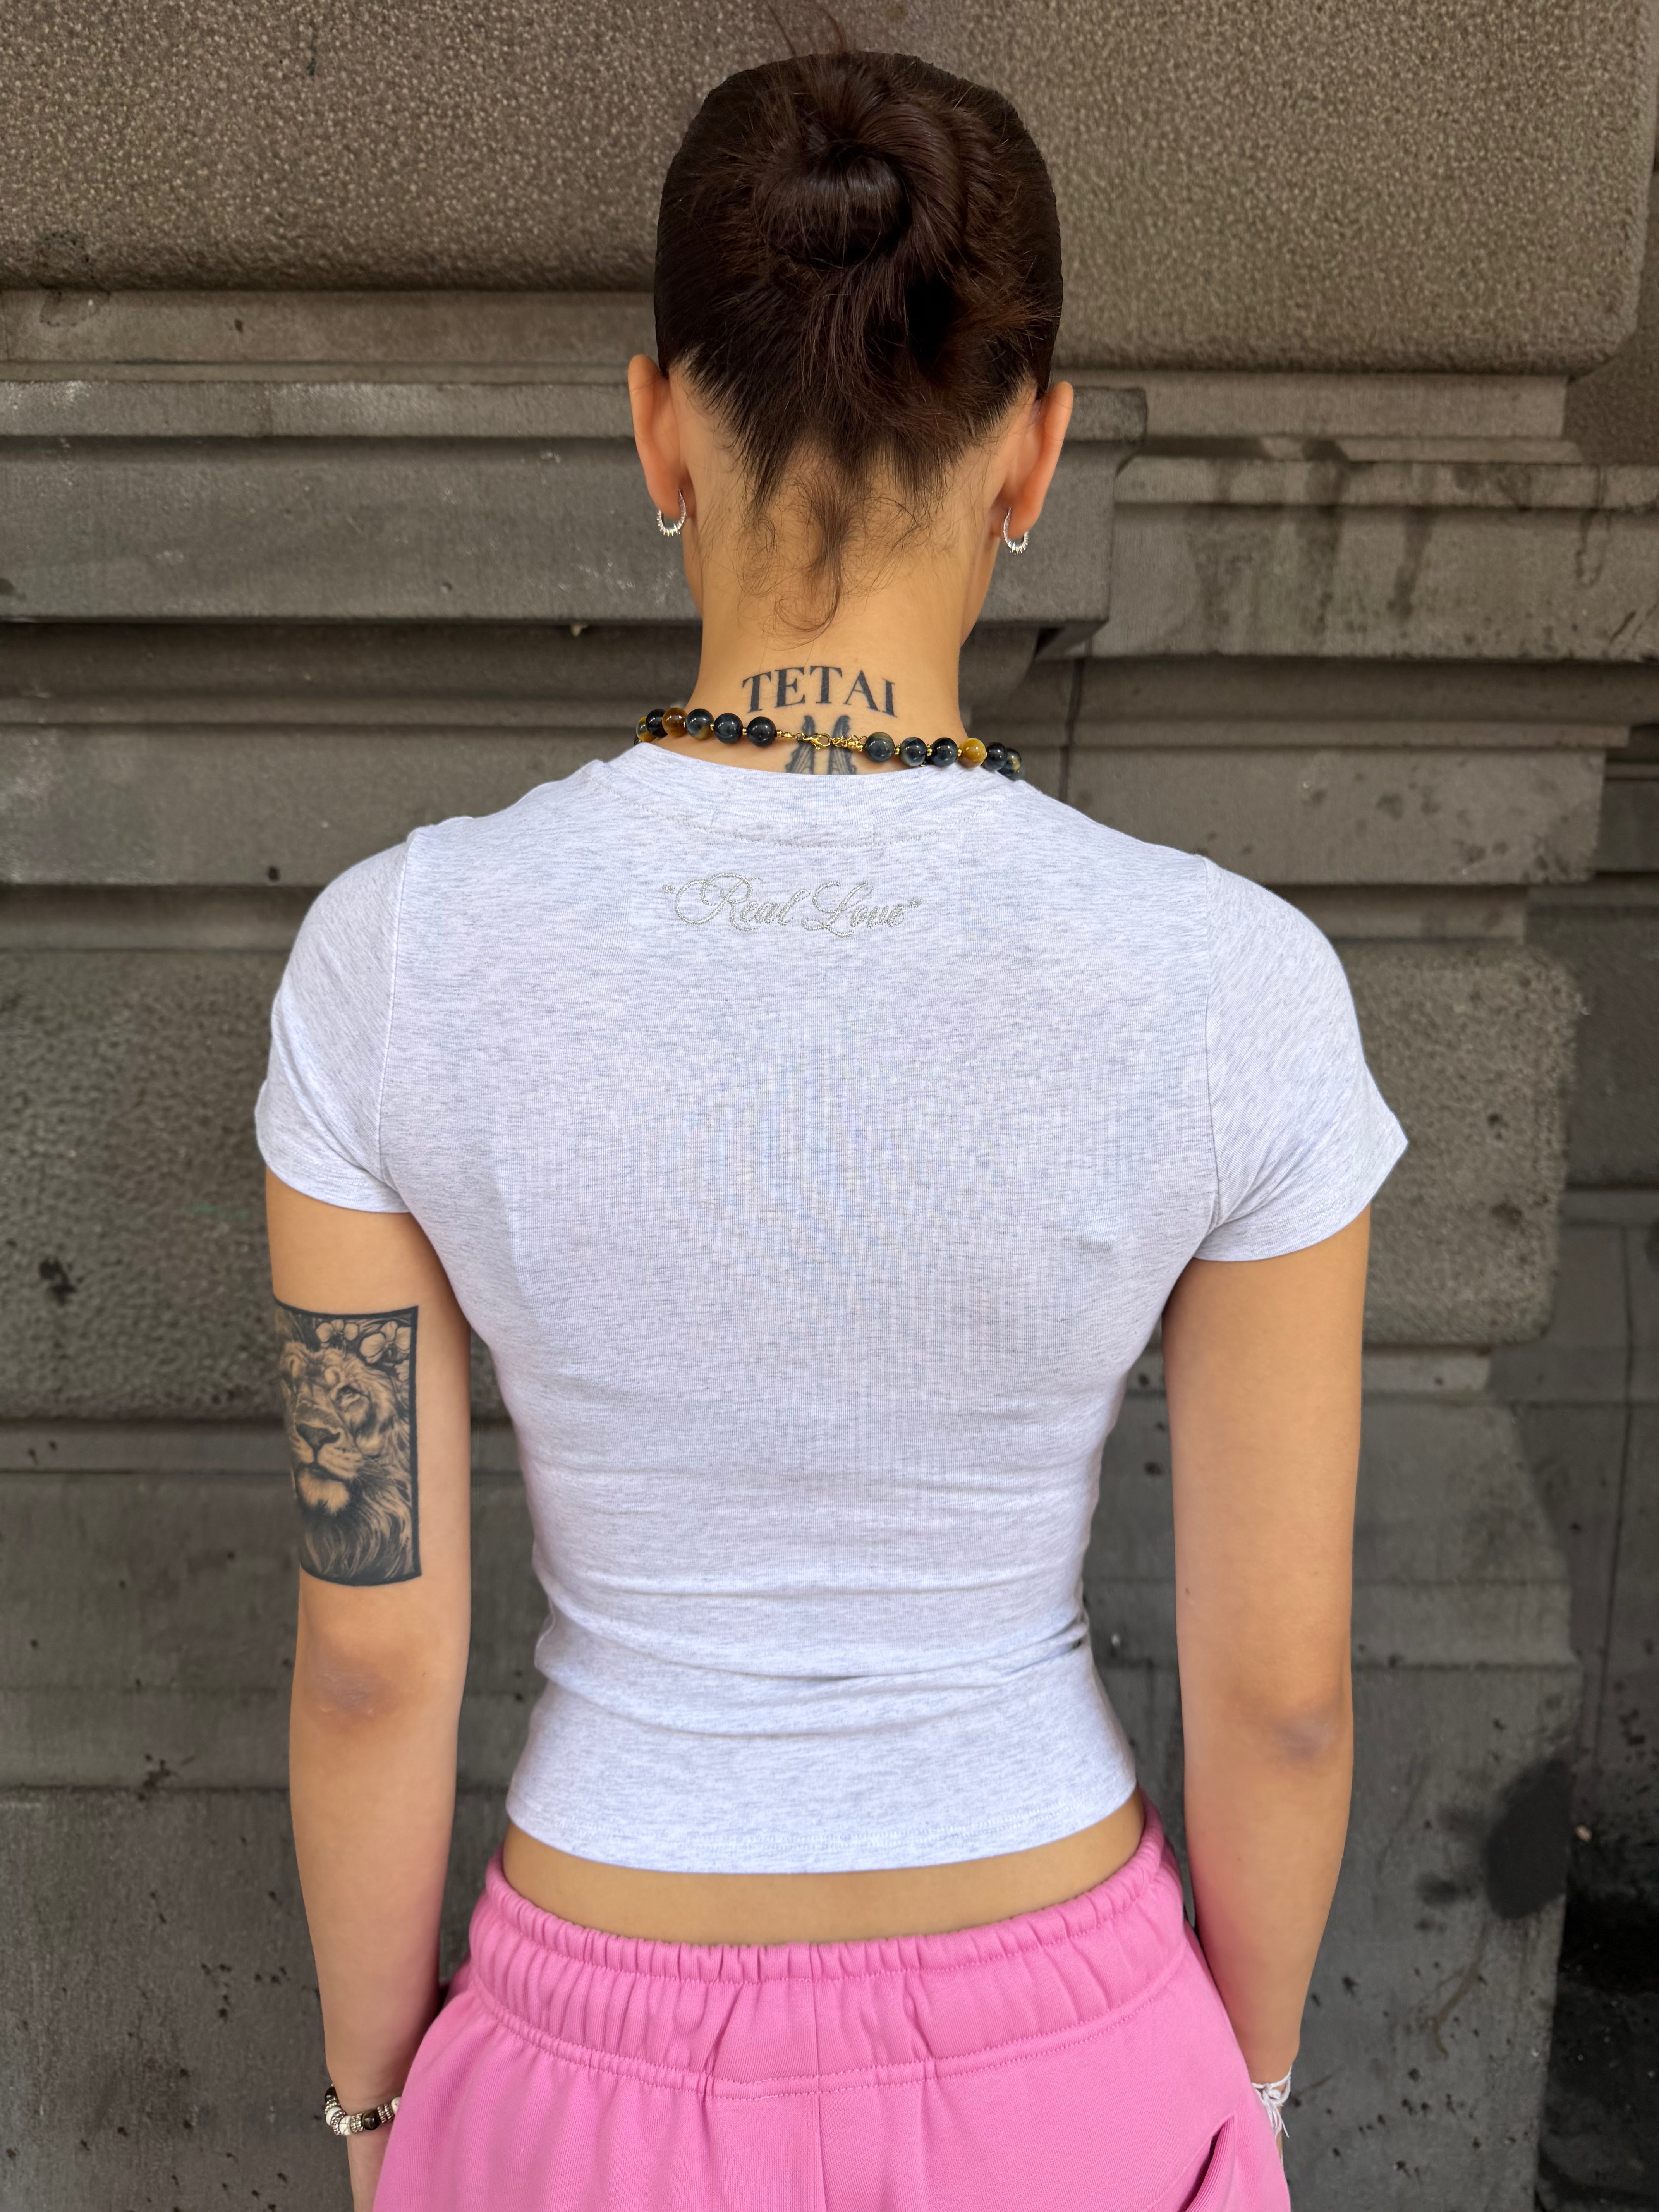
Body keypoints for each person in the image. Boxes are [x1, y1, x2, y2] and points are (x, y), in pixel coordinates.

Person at [256, 47, 1406, 2212]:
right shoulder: (1232, 983)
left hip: (591, 2049)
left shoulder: (397, 958)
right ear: (1035, 448)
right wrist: (1233, 2094)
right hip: (1074, 2052)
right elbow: (1282, 1697)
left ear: (657, 428)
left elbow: (371, 1656)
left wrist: (378, 2108)